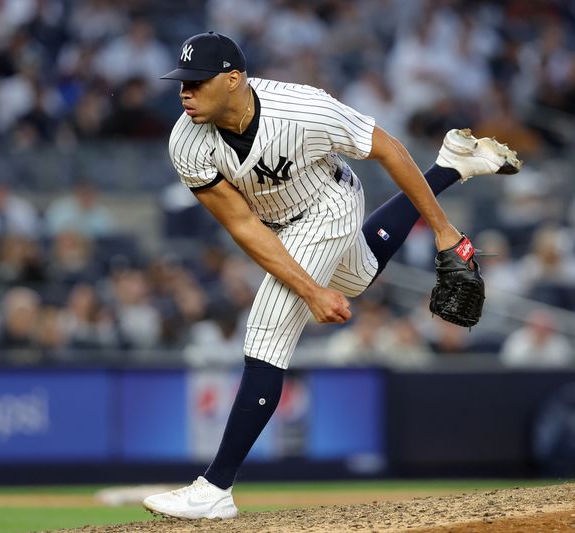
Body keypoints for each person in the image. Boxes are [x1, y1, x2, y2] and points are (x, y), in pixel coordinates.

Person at [142, 32, 521, 520]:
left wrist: (444, 231)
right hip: (278, 224)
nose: (184, 92)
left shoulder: (303, 109)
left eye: (196, 82)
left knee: (266, 334)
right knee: (357, 279)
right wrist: (312, 287)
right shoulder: (186, 140)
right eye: (181, 82)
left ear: (234, 80)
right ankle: (451, 164)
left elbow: (387, 149)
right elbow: (242, 225)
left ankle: (215, 488)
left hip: (329, 204)